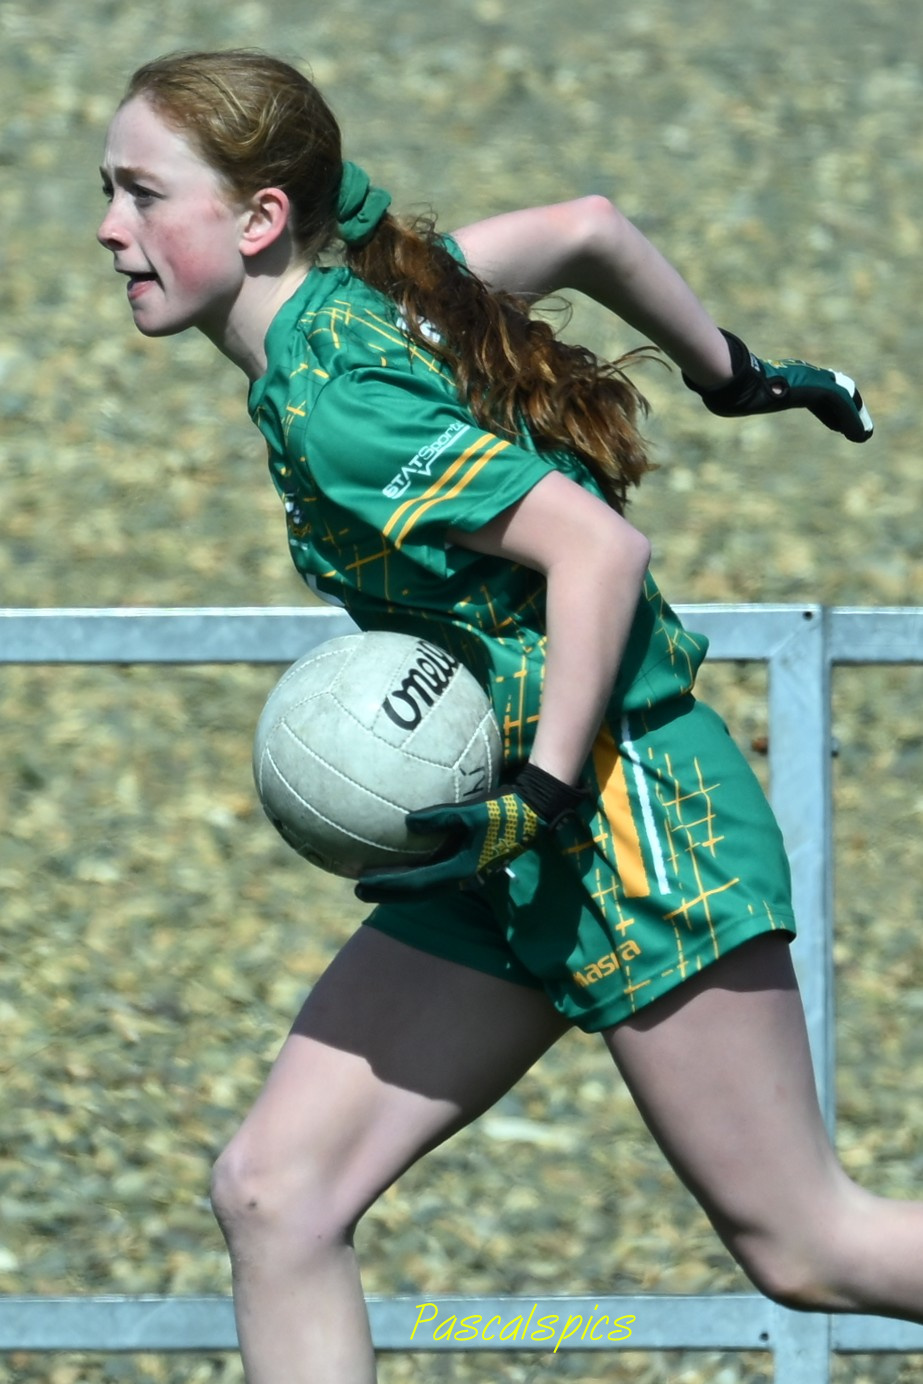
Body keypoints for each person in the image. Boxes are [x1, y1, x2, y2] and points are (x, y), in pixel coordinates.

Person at [96, 48, 918, 1384]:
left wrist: (540, 790)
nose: (108, 227)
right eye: (109, 189)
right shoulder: (380, 288)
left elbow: (599, 549)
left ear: (260, 219)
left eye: (141, 193)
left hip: (628, 813)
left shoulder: (341, 405)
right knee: (275, 1194)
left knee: (813, 1249)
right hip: (503, 828)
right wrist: (731, 373)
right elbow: (589, 228)